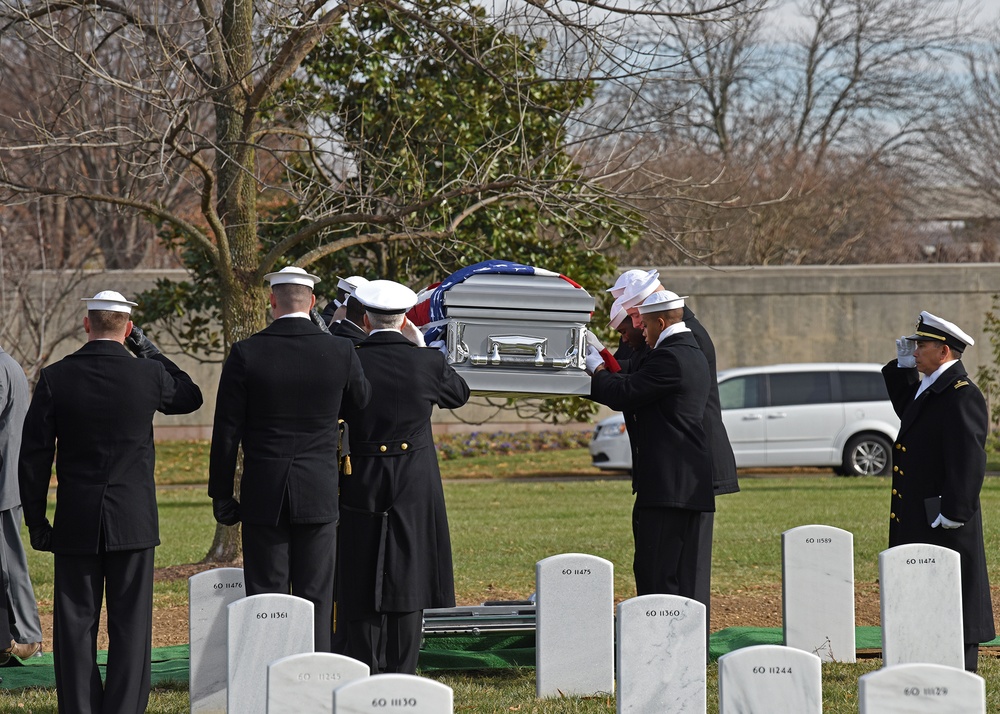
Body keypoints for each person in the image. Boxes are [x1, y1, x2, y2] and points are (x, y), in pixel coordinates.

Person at [18, 290, 203, 714]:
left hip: (76, 520)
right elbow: (190, 395)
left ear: (87, 324)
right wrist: (150, 351)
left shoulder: (55, 377)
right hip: (133, 520)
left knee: (74, 626)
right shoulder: (149, 376)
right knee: (131, 627)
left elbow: (34, 457)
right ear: (129, 328)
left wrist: (36, 520)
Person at [208, 266, 371, 652]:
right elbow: (362, 406)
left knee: (266, 597)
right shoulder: (339, 350)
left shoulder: (247, 353)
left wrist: (221, 494)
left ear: (272, 301)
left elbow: (226, 431)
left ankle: (268, 678)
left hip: (265, 490)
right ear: (312, 302)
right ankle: (312, 681)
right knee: (316, 594)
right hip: (317, 487)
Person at [336, 279, 470, 675]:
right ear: (406, 318)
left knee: (359, 567)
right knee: (410, 571)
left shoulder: (350, 356)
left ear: (364, 317)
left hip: (360, 473)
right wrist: (424, 347)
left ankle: (364, 666)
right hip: (414, 479)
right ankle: (403, 669)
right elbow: (458, 394)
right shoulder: (425, 361)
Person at [883, 310, 994, 672]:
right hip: (922, 513)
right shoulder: (933, 388)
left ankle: (961, 669)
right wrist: (901, 368)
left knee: (954, 600)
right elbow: (910, 414)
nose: (915, 350)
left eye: (922, 345)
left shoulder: (962, 395)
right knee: (923, 595)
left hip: (945, 517)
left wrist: (955, 511)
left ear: (944, 351)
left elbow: (968, 459)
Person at [587, 290, 715, 598]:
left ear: (659, 322)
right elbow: (631, 380)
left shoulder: (670, 356)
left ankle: (659, 642)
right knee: (668, 572)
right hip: (677, 484)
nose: (640, 332)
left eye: (644, 325)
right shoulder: (684, 351)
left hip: (669, 486)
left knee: (656, 572)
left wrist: (597, 369)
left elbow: (625, 393)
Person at [0, 346, 43, 660]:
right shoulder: (7, 362)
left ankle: (28, 637)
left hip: (4, 484)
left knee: (10, 563)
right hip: (9, 480)